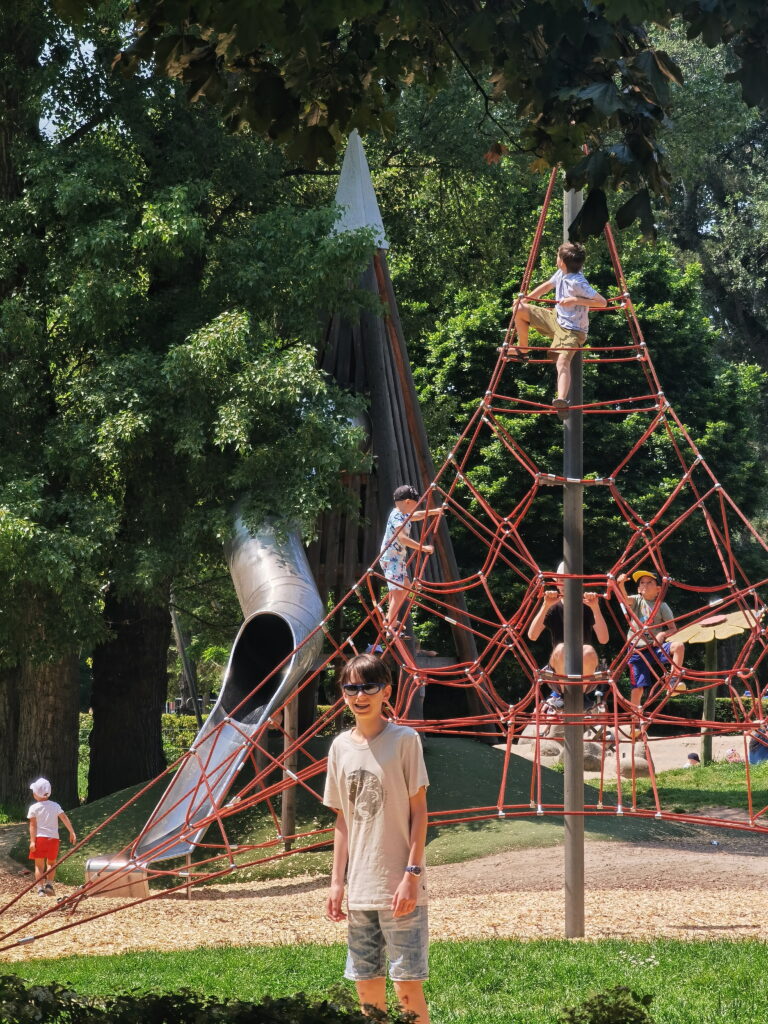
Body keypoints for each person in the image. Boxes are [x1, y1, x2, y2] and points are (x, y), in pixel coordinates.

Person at [324, 654, 430, 1023]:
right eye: (351, 687)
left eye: (369, 686)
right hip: (360, 890)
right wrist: (337, 883)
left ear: (386, 690)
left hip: (398, 888)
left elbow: (420, 813)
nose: (360, 695)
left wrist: (411, 876)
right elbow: (343, 820)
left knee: (407, 986)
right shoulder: (339, 747)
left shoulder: (405, 740)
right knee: (366, 988)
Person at [513, 241, 607, 418]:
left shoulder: (578, 282)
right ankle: (523, 349)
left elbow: (602, 302)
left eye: (557, 256)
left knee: (563, 361)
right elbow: (547, 285)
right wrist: (526, 300)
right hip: (555, 318)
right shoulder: (561, 273)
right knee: (518, 309)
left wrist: (576, 300)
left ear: (562, 261)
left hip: (573, 329)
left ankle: (561, 399)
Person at [527, 564, 610, 710]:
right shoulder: (553, 607)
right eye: (561, 580)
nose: (566, 584)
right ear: (556, 582)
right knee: (561, 648)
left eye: (570, 580)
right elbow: (532, 635)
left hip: (586, 674)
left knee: (588, 651)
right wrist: (545, 606)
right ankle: (564, 696)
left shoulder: (587, 607)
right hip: (558, 674)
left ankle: (580, 697)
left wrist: (595, 608)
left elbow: (604, 639)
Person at [617, 569, 686, 708]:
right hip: (637, 650)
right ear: (638, 589)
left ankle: (672, 681)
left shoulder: (662, 606)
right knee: (637, 688)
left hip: (654, 648)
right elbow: (624, 599)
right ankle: (635, 719)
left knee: (678, 646)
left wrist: (662, 634)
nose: (645, 585)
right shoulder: (637, 601)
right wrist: (620, 585)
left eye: (649, 583)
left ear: (658, 589)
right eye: (642, 583)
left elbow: (673, 628)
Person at [379, 485, 444, 630]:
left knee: (406, 587)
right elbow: (402, 538)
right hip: (390, 558)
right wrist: (423, 548)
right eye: (416, 505)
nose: (416, 508)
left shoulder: (403, 514)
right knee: (397, 591)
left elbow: (416, 515)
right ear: (408, 502)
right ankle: (390, 623)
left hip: (398, 558)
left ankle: (390, 618)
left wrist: (432, 512)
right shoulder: (396, 516)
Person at [27, 777, 76, 897]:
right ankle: (49, 884)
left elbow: (33, 826)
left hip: (40, 839)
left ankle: (40, 889)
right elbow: (64, 817)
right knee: (51, 863)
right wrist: (72, 832)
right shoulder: (55, 806)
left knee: (39, 865)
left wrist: (33, 842)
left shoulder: (34, 808)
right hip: (53, 839)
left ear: (35, 794)